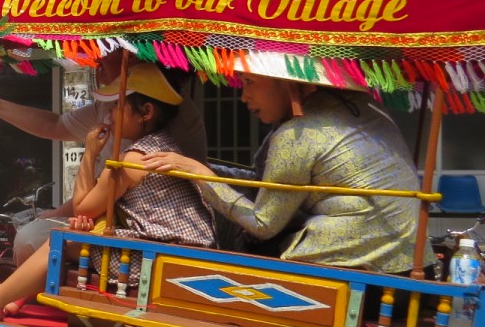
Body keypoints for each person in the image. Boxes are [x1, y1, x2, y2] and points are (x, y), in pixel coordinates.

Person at [0, 64, 215, 319]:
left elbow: (83, 206)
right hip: (173, 251)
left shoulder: (133, 160)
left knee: (62, 241)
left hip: (158, 257)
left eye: (117, 106)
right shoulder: (161, 144)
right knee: (76, 235)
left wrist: (89, 152)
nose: (109, 115)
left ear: (145, 112)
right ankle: (14, 295)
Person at [141, 73, 420, 302]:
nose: (243, 96)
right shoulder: (361, 105)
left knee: (251, 243)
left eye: (249, 82)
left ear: (285, 82)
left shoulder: (299, 133)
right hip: (410, 265)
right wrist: (204, 171)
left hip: (363, 277)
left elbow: (263, 223)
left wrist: (199, 173)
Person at [0, 50, 208, 264]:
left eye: (106, 52)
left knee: (34, 239)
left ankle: (5, 297)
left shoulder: (151, 128)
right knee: (40, 232)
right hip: (110, 215)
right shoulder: (120, 108)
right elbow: (57, 125)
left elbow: (89, 204)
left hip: (143, 234)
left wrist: (90, 155)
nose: (97, 62)